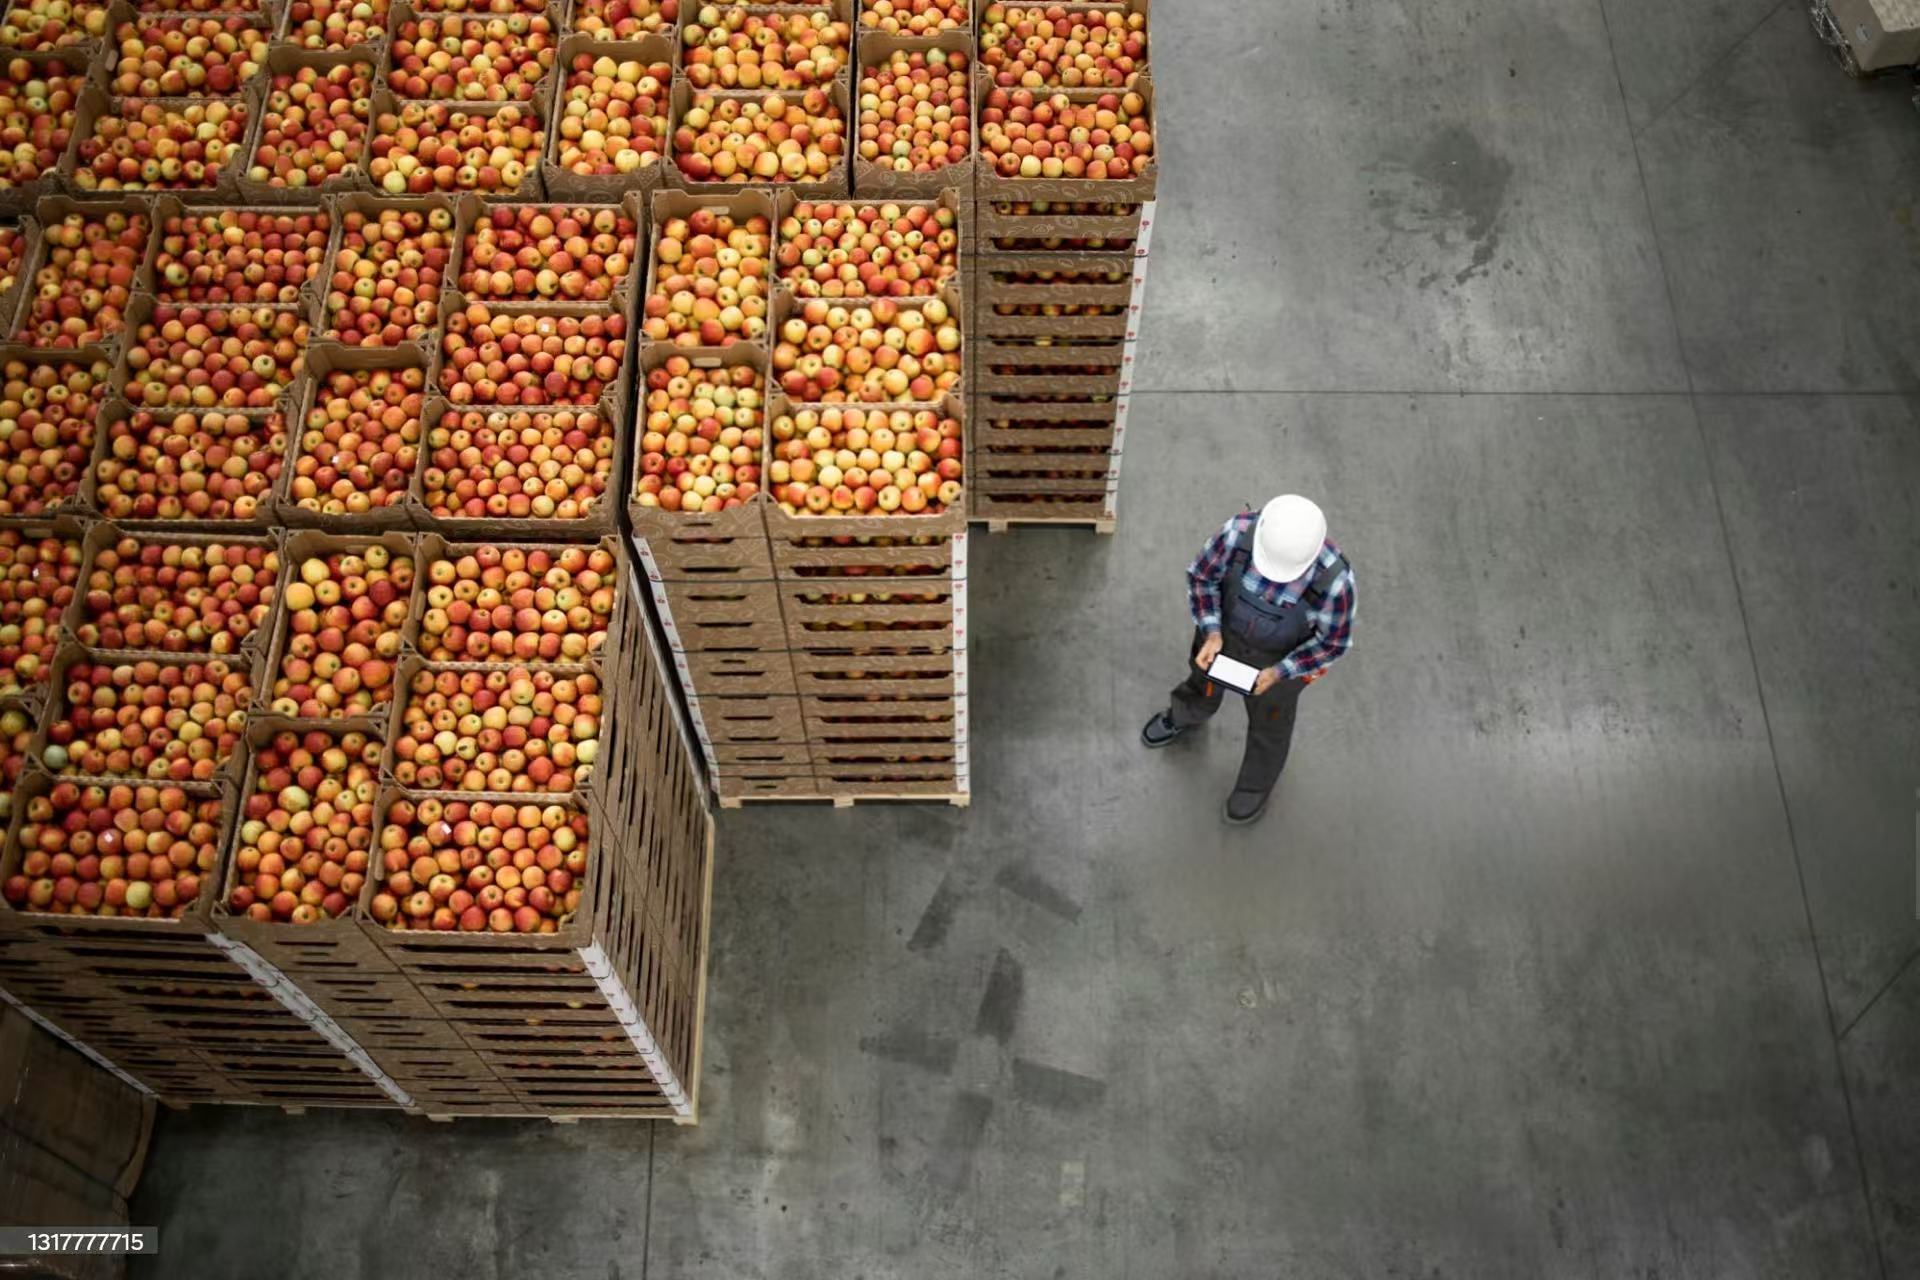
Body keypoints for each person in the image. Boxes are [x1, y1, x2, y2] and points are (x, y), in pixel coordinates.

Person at [1141, 495, 1356, 825]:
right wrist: (1211, 630)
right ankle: (1187, 713)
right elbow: (1202, 578)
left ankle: (1255, 785)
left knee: (1271, 722)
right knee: (1202, 682)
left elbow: (1332, 644)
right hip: (1222, 636)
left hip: (1281, 663)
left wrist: (1282, 671)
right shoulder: (1237, 534)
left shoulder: (1335, 583)